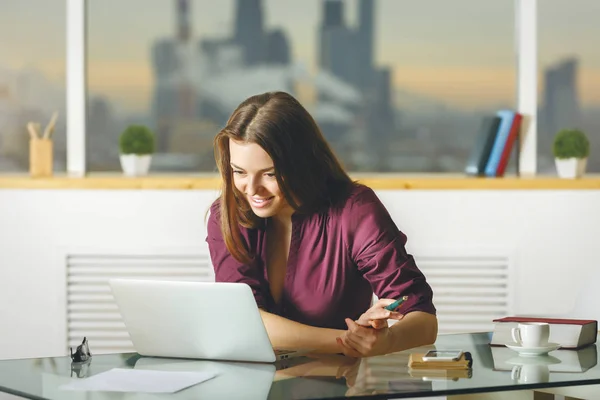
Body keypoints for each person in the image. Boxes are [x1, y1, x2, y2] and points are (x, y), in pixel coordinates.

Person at [206, 91, 437, 357]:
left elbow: (424, 320)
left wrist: (387, 341)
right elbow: (242, 322)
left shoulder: (354, 210)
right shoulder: (227, 214)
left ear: (302, 164)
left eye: (269, 174)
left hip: (336, 384)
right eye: (239, 172)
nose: (252, 189)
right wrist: (347, 339)